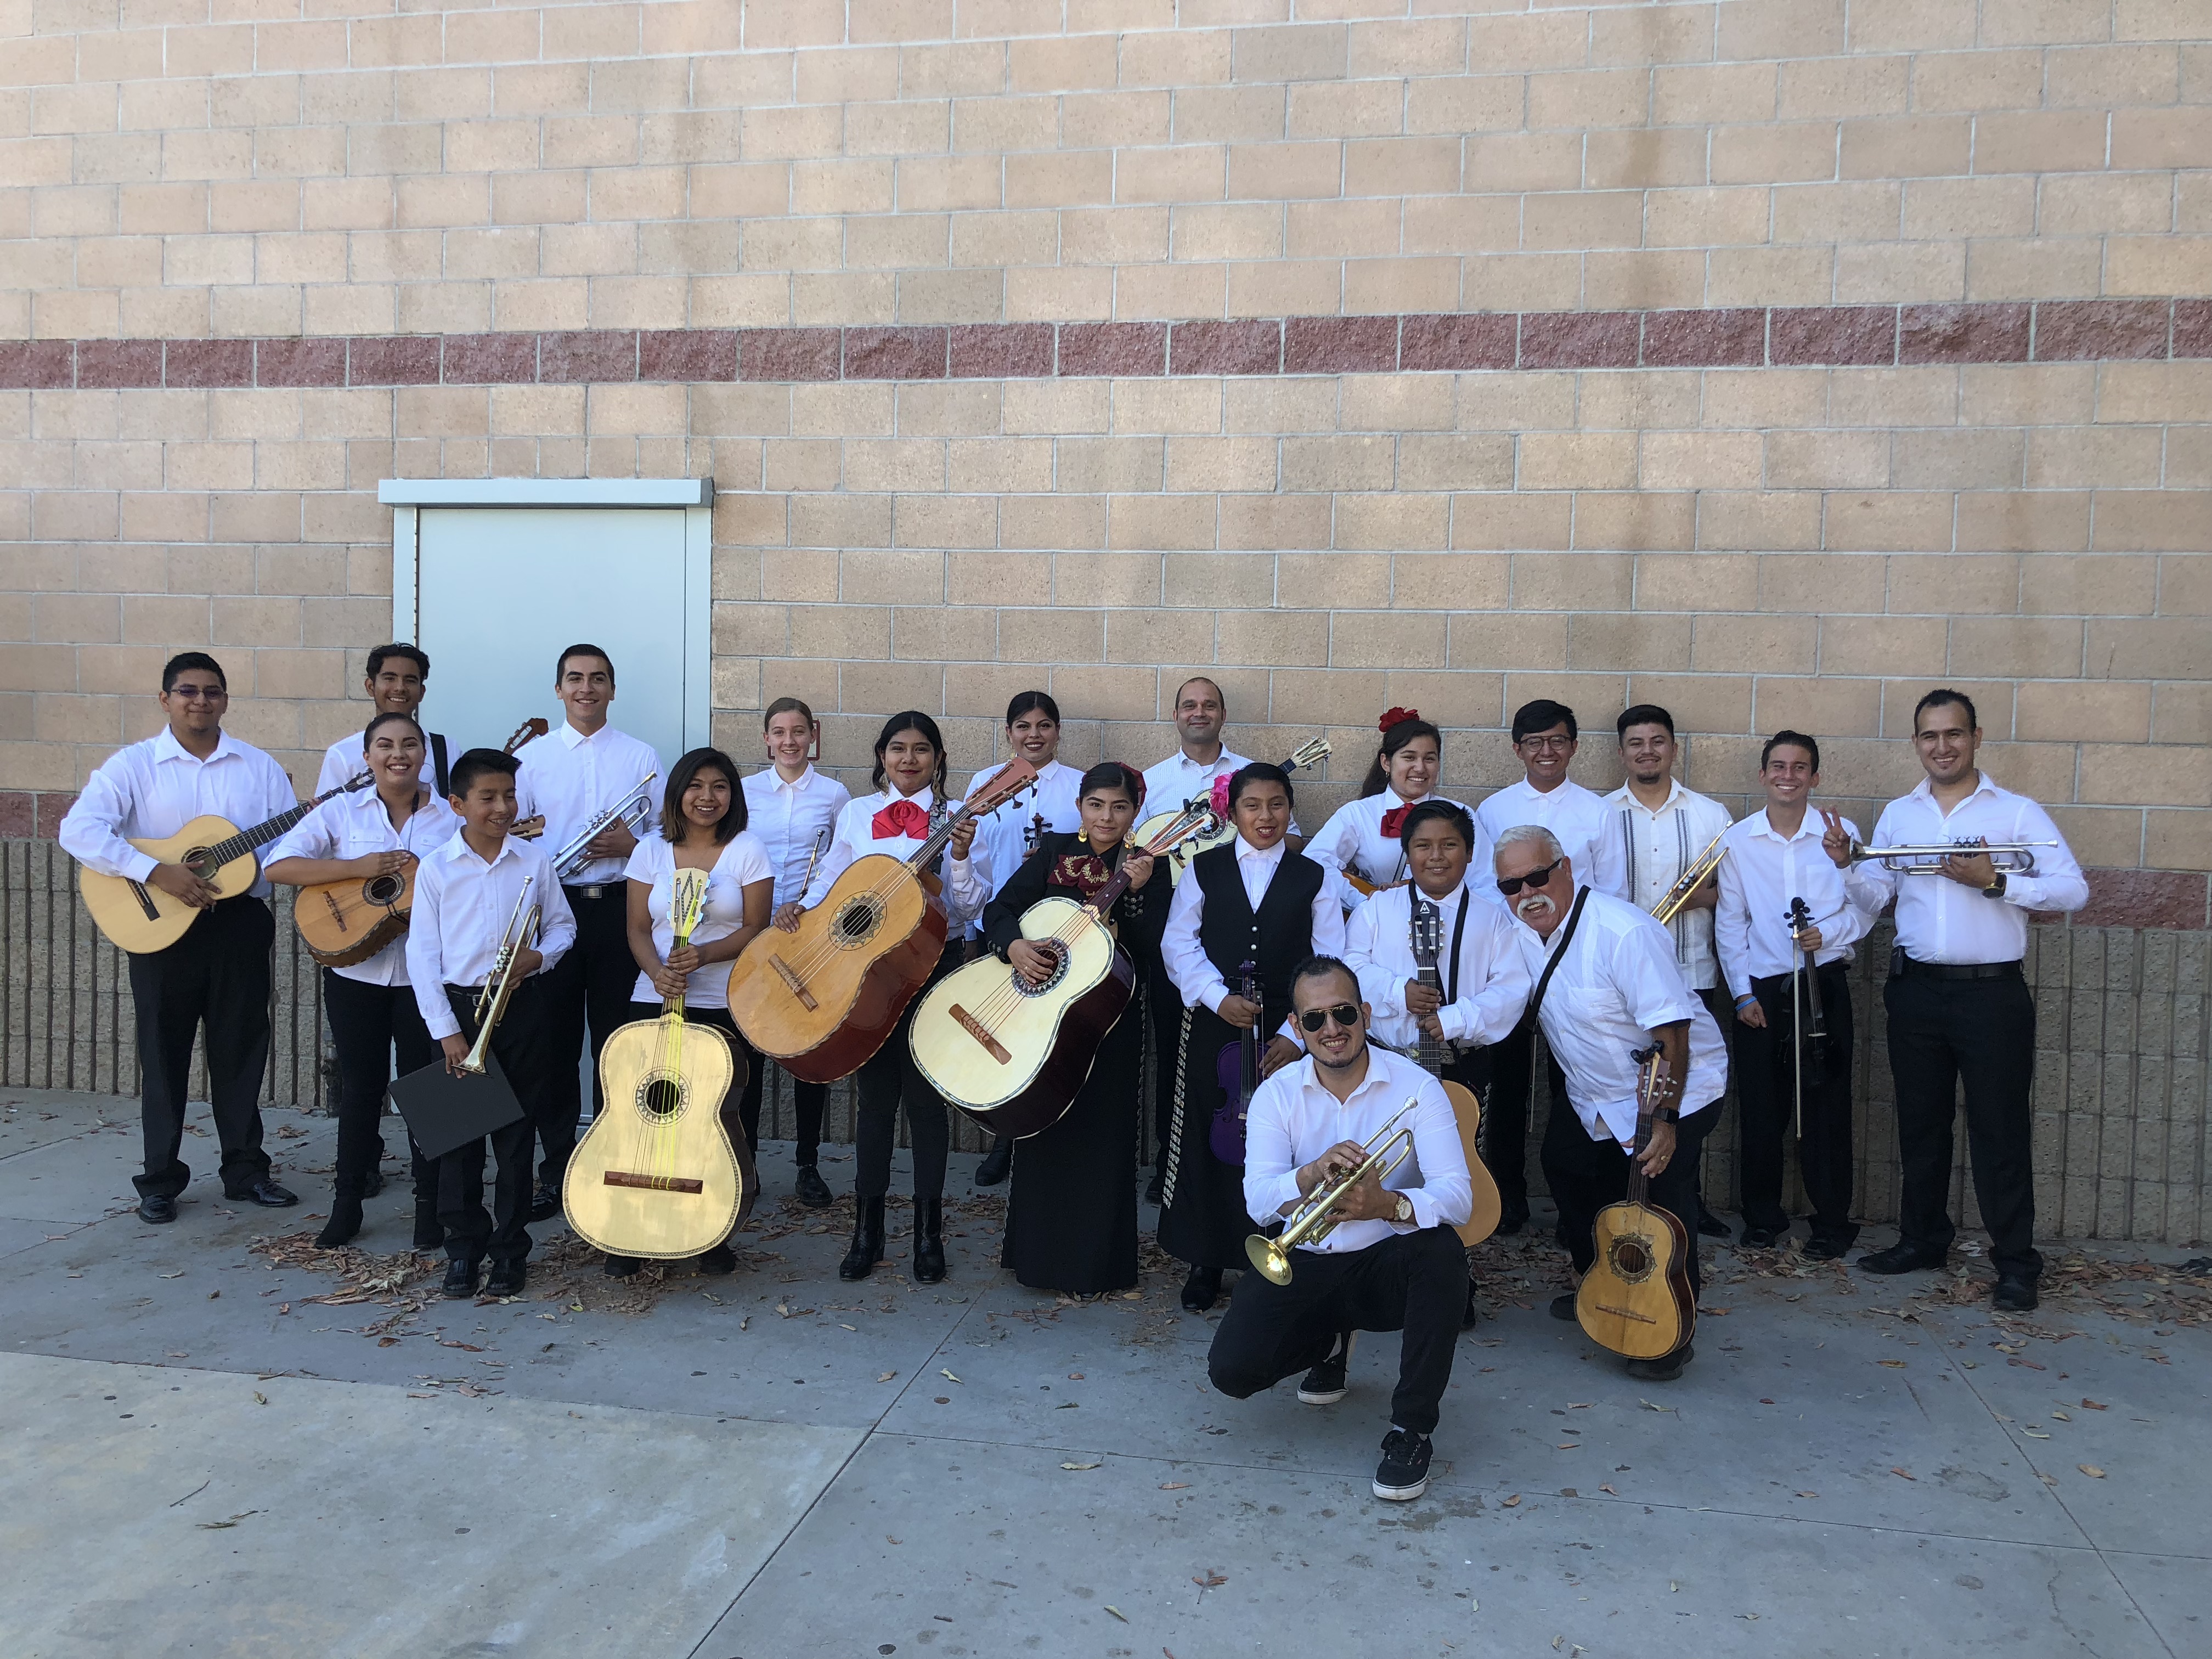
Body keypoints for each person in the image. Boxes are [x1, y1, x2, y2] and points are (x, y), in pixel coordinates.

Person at [1827, 689, 2087, 1312]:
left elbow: (2073, 890)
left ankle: (2017, 1263)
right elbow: (1875, 900)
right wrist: (1846, 866)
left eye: (1953, 734)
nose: (1941, 747)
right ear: (1916, 743)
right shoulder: (1899, 814)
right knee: (1921, 1126)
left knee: (1999, 1130)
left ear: (1975, 737)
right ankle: (1923, 1240)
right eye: (1929, 736)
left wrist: (1994, 881)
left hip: (1991, 995)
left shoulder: (2017, 812)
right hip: (1916, 991)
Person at [1206, 956, 1472, 1503]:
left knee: (1443, 1253)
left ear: (1366, 1014)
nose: (1332, 1030)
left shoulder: (1418, 1088)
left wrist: (1387, 1204)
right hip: (1305, 1258)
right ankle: (1328, 1342)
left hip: (1383, 1262)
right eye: (1315, 1019)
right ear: (1298, 1026)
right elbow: (1259, 1204)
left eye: (1344, 1013)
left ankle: (1411, 1429)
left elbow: (1458, 1196)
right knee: (1233, 1373)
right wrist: (1306, 1174)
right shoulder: (1278, 1096)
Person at [59, 652, 302, 1224]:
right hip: (160, 928)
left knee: (241, 1048)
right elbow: (79, 828)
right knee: (163, 1053)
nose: (201, 700)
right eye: (188, 691)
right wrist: (155, 871)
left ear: (225, 700)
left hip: (238, 923)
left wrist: (262, 865)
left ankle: (246, 1171)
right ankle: (159, 1181)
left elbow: (290, 847)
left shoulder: (259, 767)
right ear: (165, 699)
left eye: (213, 691)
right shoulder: (135, 765)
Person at [1495, 826, 1728, 1383]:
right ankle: (1597, 1283)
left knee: (1661, 1207)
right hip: (1595, 1093)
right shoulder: (1517, 932)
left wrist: (1666, 1123)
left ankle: (1671, 1331)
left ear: (1567, 868)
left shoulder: (1624, 933)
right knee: (1566, 1166)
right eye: (1512, 884)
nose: (1528, 891)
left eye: (1538, 876)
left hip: (1676, 1088)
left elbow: (1671, 1030)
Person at [782, 712, 986, 1284]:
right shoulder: (856, 814)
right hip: (867, 973)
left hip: (930, 971)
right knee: (873, 1103)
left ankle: (928, 1234)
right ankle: (866, 1231)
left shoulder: (959, 820)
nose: (909, 759)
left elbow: (970, 909)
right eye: (898, 748)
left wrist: (963, 857)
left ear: (939, 760)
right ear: (881, 755)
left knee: (925, 1104)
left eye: (922, 750)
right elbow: (832, 880)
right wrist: (806, 906)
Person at [267, 712, 462, 1249]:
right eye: (384, 745)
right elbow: (279, 866)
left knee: (430, 1091)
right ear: (368, 756)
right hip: (356, 974)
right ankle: (347, 1203)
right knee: (360, 1089)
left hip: (426, 980)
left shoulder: (451, 819)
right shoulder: (343, 811)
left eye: (409, 744)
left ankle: (431, 1208)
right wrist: (361, 867)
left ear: (424, 754)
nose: (397, 753)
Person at [1159, 763, 1347, 1312]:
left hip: (1291, 1032)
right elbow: (1179, 944)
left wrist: (1297, 1031)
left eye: (1276, 805)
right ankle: (1205, 1258)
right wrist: (1218, 997)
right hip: (1218, 1022)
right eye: (1252, 806)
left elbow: (1329, 958)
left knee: (1285, 1141)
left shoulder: (1314, 876)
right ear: (1232, 812)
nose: (1265, 816)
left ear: (1290, 809)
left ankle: (1279, 1252)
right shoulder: (1204, 869)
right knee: (1208, 1136)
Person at [1344, 799, 1531, 1325]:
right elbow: (1351, 966)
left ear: (1469, 853)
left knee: (1454, 1171)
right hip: (1389, 1061)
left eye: (1449, 845)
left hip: (1461, 1065)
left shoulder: (1494, 920)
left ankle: (1451, 1282)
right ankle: (1380, 1277)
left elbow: (1511, 989)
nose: (1437, 856)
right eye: (1423, 846)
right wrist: (1398, 990)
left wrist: (1455, 1018)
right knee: (1389, 1169)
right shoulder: (1379, 910)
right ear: (1407, 854)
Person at [406, 748, 577, 1300]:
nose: (503, 807)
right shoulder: (435, 868)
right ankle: (464, 1251)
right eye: (488, 798)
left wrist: (540, 958)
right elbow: (421, 956)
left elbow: (561, 928)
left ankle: (509, 1250)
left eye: (510, 795)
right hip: (459, 1012)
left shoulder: (534, 861)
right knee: (457, 1142)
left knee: (515, 1137)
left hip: (520, 1008)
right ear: (458, 804)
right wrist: (446, 1032)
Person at [988, 762, 1166, 1294]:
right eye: (1096, 805)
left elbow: (1156, 945)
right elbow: (1002, 909)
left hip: (1112, 1016)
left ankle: (1098, 1267)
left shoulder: (1150, 865)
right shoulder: (1054, 851)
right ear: (1081, 808)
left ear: (1135, 812)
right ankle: (1035, 1258)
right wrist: (1014, 946)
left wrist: (1139, 894)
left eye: (1119, 806)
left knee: (1105, 1135)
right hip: (1043, 1015)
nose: (1107, 816)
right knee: (1043, 1124)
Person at [612, 747, 775, 1278]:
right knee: (647, 1114)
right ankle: (632, 1230)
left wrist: (705, 954)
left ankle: (711, 1232)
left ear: (734, 795)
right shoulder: (652, 852)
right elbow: (638, 927)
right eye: (696, 786)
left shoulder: (746, 849)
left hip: (726, 1001)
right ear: (678, 792)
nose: (708, 797)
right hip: (655, 996)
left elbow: (756, 927)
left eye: (720, 786)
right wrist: (657, 972)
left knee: (716, 1121)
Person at [515, 644, 663, 1221]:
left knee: (618, 1042)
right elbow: (516, 838)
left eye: (598, 679)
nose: (586, 688)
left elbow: (664, 837)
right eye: (575, 679)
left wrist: (633, 846)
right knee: (552, 1045)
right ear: (558, 690)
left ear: (612, 689)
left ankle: (614, 1161)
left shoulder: (641, 755)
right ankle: (556, 1172)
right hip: (554, 909)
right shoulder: (533, 759)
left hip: (620, 909)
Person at [1471, 698, 1627, 1234]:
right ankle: (1508, 1198)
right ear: (1518, 749)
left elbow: (1612, 891)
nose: (1546, 751)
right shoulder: (1491, 812)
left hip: (1574, 965)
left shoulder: (1598, 812)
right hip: (1511, 965)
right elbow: (1486, 894)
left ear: (1574, 746)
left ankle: (1575, 1208)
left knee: (1575, 1082)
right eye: (1534, 742)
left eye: (1557, 740)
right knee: (1508, 1086)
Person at [1715, 731, 1872, 1257]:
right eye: (1778, 766)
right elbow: (1730, 922)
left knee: (1827, 1105)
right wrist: (1740, 994)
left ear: (1815, 776)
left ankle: (1832, 1222)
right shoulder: (1739, 840)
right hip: (1762, 988)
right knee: (1762, 1108)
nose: (1788, 776)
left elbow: (1869, 906)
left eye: (1799, 767)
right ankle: (1763, 1218)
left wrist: (1829, 931)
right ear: (1763, 775)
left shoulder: (1840, 834)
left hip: (1822, 983)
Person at [1604, 704, 1737, 1240]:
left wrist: (1695, 898)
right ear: (1622, 752)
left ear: (1673, 748)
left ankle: (1685, 1200)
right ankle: (1631, 1197)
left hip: (1691, 971)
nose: (1647, 751)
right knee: (1630, 1093)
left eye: (1657, 742)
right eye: (1636, 743)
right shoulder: (1602, 816)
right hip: (1624, 986)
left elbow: (1737, 890)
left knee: (1690, 1090)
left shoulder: (1711, 815)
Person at [968, 691, 1086, 1188]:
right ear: (1009, 731)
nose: (1033, 735)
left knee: (1046, 1035)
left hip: (1058, 932)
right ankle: (1004, 1139)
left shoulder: (1081, 786)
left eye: (1044, 725)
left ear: (1057, 731)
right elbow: (973, 854)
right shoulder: (985, 783)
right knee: (1003, 1033)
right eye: (1023, 726)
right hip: (998, 924)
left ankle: (1042, 1139)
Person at [736, 697, 850, 1207]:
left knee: (806, 1050)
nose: (789, 741)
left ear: (813, 735)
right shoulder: (744, 792)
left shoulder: (834, 793)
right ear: (766, 738)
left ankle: (807, 1163)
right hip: (754, 932)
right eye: (779, 732)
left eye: (798, 732)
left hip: (808, 932)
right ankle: (747, 1163)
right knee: (750, 1056)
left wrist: (803, 906)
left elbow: (841, 864)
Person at [1305, 708, 1464, 899]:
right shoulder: (1358, 814)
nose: (1420, 768)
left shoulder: (1459, 814)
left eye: (1429, 759)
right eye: (1409, 758)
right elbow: (1314, 862)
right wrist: (1365, 899)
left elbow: (1484, 880)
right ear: (1386, 763)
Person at [314, 644, 448, 799]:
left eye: (410, 680)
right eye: (390, 678)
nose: (400, 688)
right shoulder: (342, 755)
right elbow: (328, 817)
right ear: (370, 687)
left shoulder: (446, 749)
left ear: (422, 692)